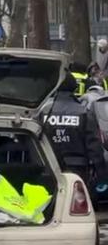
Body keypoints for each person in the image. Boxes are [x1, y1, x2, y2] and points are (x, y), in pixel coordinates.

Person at [44, 73, 108, 202]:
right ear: (75, 88)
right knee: (76, 204)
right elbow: (94, 146)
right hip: (78, 170)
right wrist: (102, 174)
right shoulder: (83, 112)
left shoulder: (44, 112)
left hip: (49, 166)